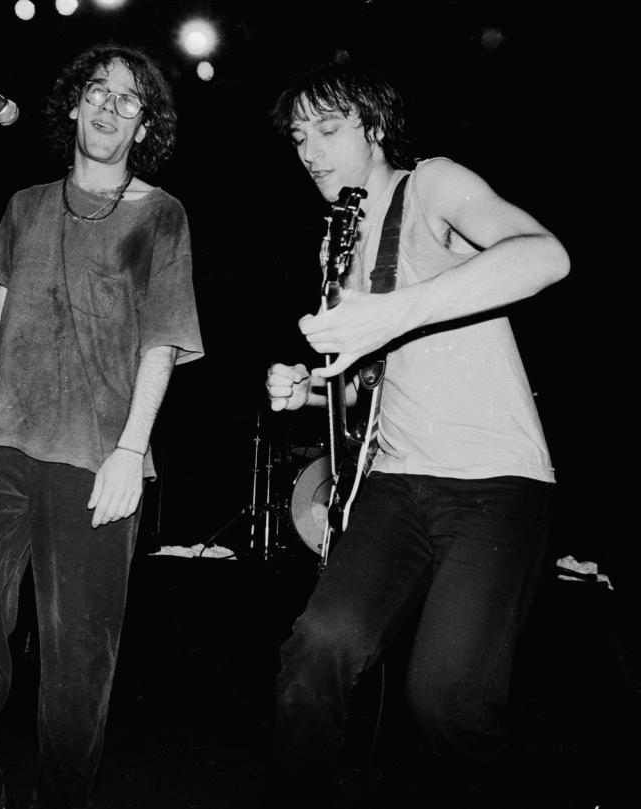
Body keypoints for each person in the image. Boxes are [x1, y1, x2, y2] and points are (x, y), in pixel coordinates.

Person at [0, 45, 203, 809]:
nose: (108, 107)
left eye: (128, 101)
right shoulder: (27, 204)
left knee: (77, 667)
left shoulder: (160, 215)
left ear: (144, 125)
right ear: (73, 103)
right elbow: (2, 317)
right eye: (97, 90)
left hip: (96, 458)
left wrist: (132, 450)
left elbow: (162, 340)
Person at [263, 62, 569, 807]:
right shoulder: (336, 244)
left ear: (373, 126)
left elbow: (544, 254)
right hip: (397, 486)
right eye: (299, 137)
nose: (309, 150)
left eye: (328, 129)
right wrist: (310, 390)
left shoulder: (431, 184)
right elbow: (376, 379)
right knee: (315, 656)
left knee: (446, 701)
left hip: (495, 484)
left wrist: (394, 312)